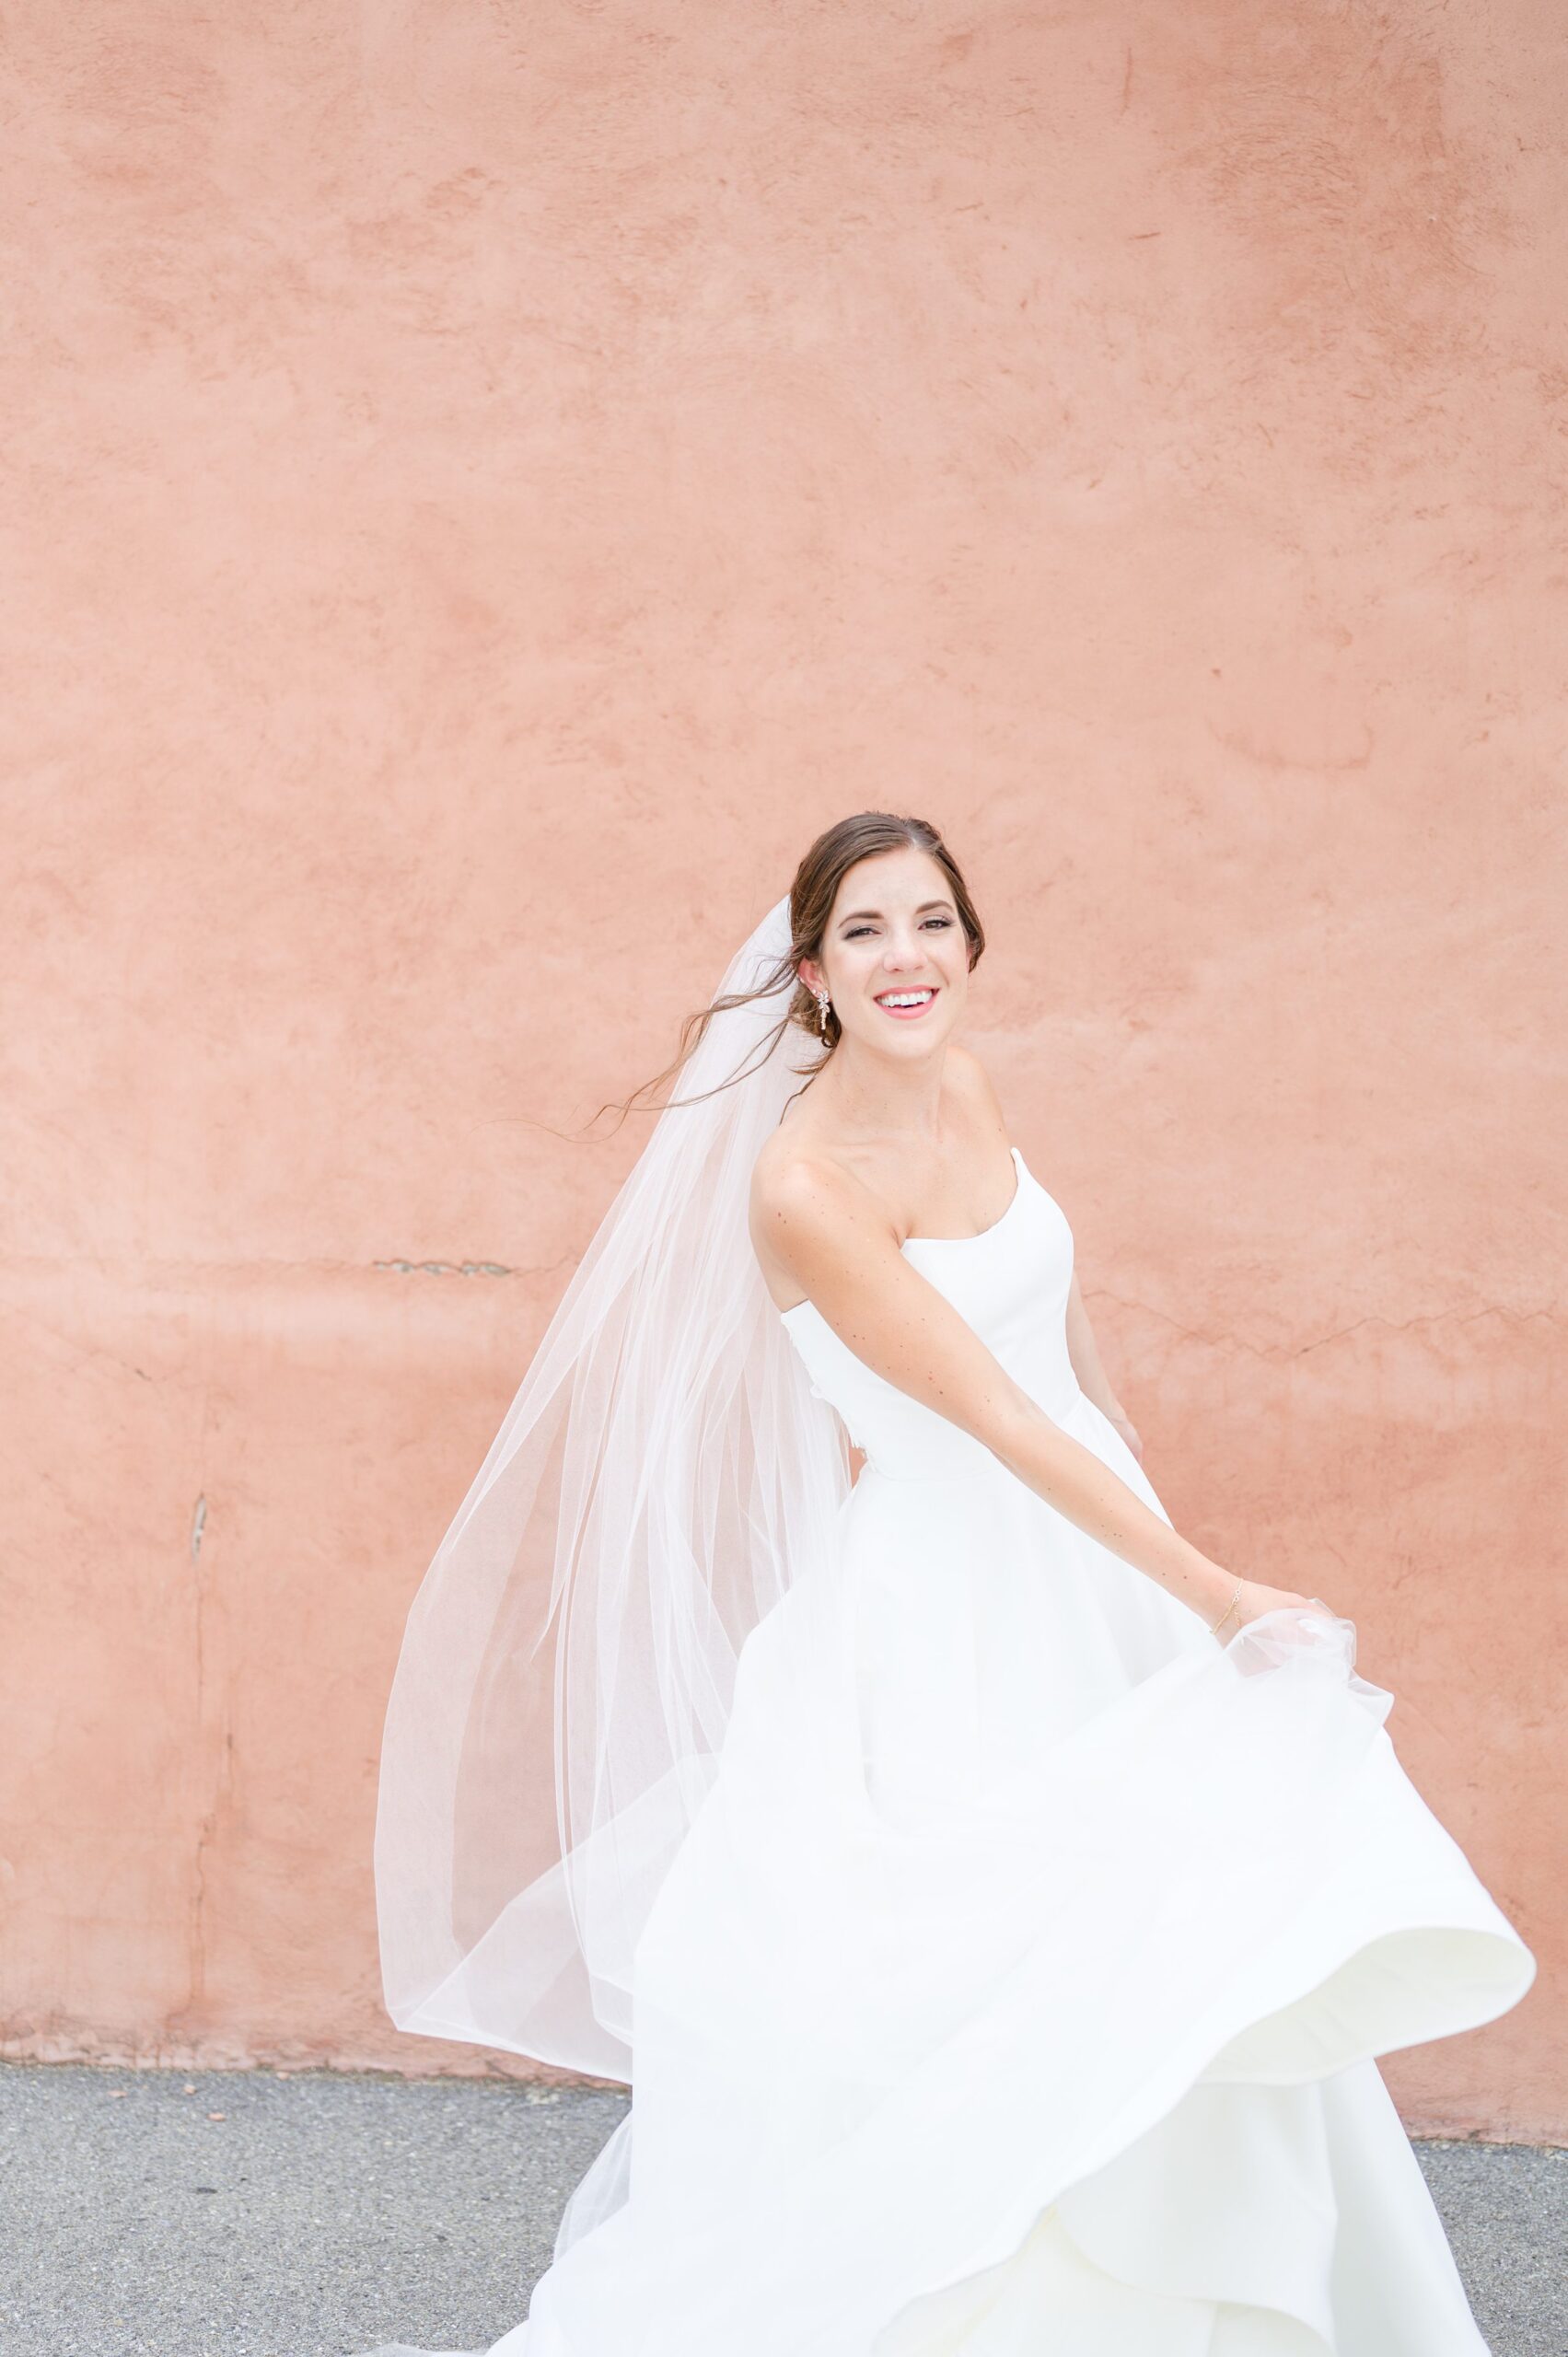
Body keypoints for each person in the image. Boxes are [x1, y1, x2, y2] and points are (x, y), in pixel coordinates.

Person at [365, 812, 1534, 2357]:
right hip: (953, 1605)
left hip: (1093, 1557)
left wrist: (1143, 1521)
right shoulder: (801, 1185)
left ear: (970, 945)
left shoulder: (968, 1086)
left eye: (930, 923)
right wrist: (1213, 1587)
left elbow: (1062, 1347)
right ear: (812, 971)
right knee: (986, 1983)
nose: (905, 957)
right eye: (864, 931)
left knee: (1166, 1948)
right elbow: (987, 1411)